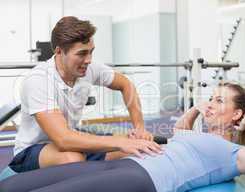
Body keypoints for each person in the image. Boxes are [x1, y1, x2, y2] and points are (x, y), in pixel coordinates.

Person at [0, 83, 245, 192]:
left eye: (219, 101)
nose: (210, 103)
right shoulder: (198, 136)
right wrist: (198, 107)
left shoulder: (232, 153)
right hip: (126, 164)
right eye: (212, 96)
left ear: (236, 114)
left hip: (144, 180)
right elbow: (181, 130)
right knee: (11, 188)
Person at [9, 16, 162, 173]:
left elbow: (126, 84)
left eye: (91, 52)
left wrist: (140, 128)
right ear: (59, 51)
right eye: (82, 54)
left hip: (72, 141)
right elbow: (63, 139)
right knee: (73, 158)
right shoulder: (39, 80)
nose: (88, 60)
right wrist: (117, 141)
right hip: (32, 151)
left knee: (135, 146)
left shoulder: (88, 68)